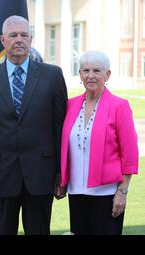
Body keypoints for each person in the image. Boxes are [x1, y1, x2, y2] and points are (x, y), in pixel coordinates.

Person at [0, 15, 68, 235]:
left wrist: (60, 172)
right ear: (2, 40)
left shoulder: (52, 76)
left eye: (24, 35)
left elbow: (59, 128)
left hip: (41, 174)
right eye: (13, 35)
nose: (19, 39)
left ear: (31, 39)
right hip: (0, 176)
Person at [60, 50, 139, 235]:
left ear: (107, 74)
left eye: (97, 70)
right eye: (85, 70)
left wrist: (123, 192)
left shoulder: (119, 106)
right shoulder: (70, 105)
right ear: (80, 75)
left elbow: (129, 154)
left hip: (107, 194)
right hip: (76, 192)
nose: (91, 76)